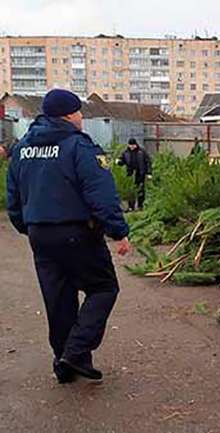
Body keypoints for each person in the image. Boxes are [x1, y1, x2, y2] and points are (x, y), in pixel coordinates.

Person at [6, 88, 131, 384]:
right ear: (68, 115)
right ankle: (74, 353)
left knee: (59, 299)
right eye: (79, 113)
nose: (81, 119)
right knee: (103, 288)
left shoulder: (22, 148)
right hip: (76, 232)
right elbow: (100, 192)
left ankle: (65, 362)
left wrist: (30, 227)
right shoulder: (78, 146)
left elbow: (14, 197)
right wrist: (118, 231)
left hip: (40, 235)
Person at [117, 138, 152, 211]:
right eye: (130, 145)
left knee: (140, 190)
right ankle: (131, 206)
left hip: (140, 173)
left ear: (136, 144)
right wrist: (118, 161)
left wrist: (149, 173)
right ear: (128, 145)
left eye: (133, 145)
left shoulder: (142, 152)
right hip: (130, 174)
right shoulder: (126, 152)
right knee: (130, 190)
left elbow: (148, 162)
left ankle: (140, 206)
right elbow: (122, 161)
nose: (132, 147)